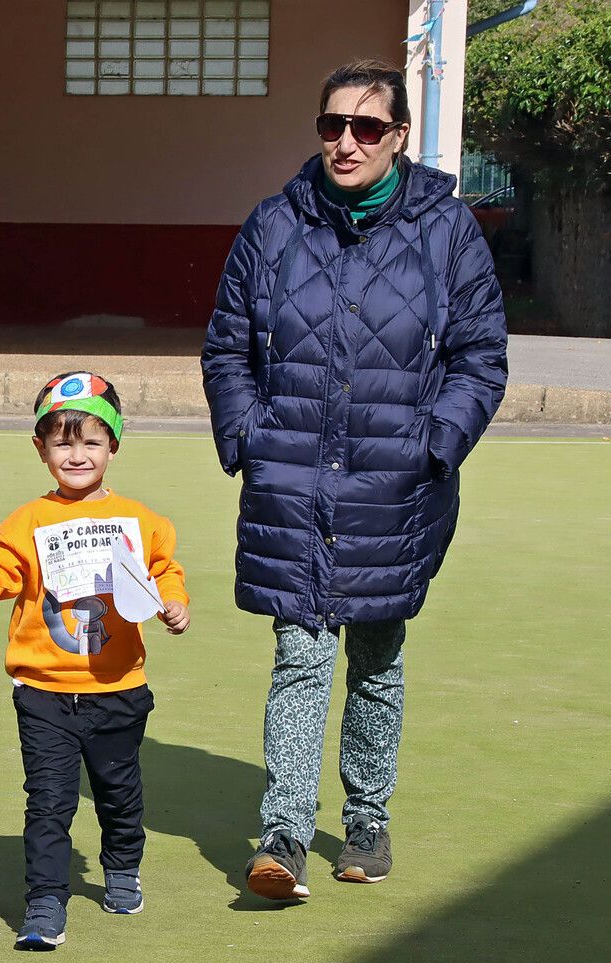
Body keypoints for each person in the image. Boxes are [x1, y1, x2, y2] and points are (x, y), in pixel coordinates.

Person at [201, 59, 508, 901]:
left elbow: (479, 356)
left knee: (377, 653)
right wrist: (248, 438)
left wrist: (435, 444)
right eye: (332, 126)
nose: (346, 143)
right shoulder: (273, 226)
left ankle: (367, 819)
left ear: (399, 136)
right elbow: (228, 346)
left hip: (396, 483)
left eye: (367, 128)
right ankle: (286, 833)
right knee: (299, 654)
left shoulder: (448, 231)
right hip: (291, 478)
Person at [0, 373, 189, 950]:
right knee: (48, 802)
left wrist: (173, 603)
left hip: (120, 689)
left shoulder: (141, 520)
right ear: (41, 449)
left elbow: (163, 571)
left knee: (118, 792)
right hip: (43, 693)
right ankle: (45, 901)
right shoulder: (26, 522)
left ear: (114, 446)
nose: (77, 455)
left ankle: (122, 868)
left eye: (91, 442)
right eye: (62, 442)